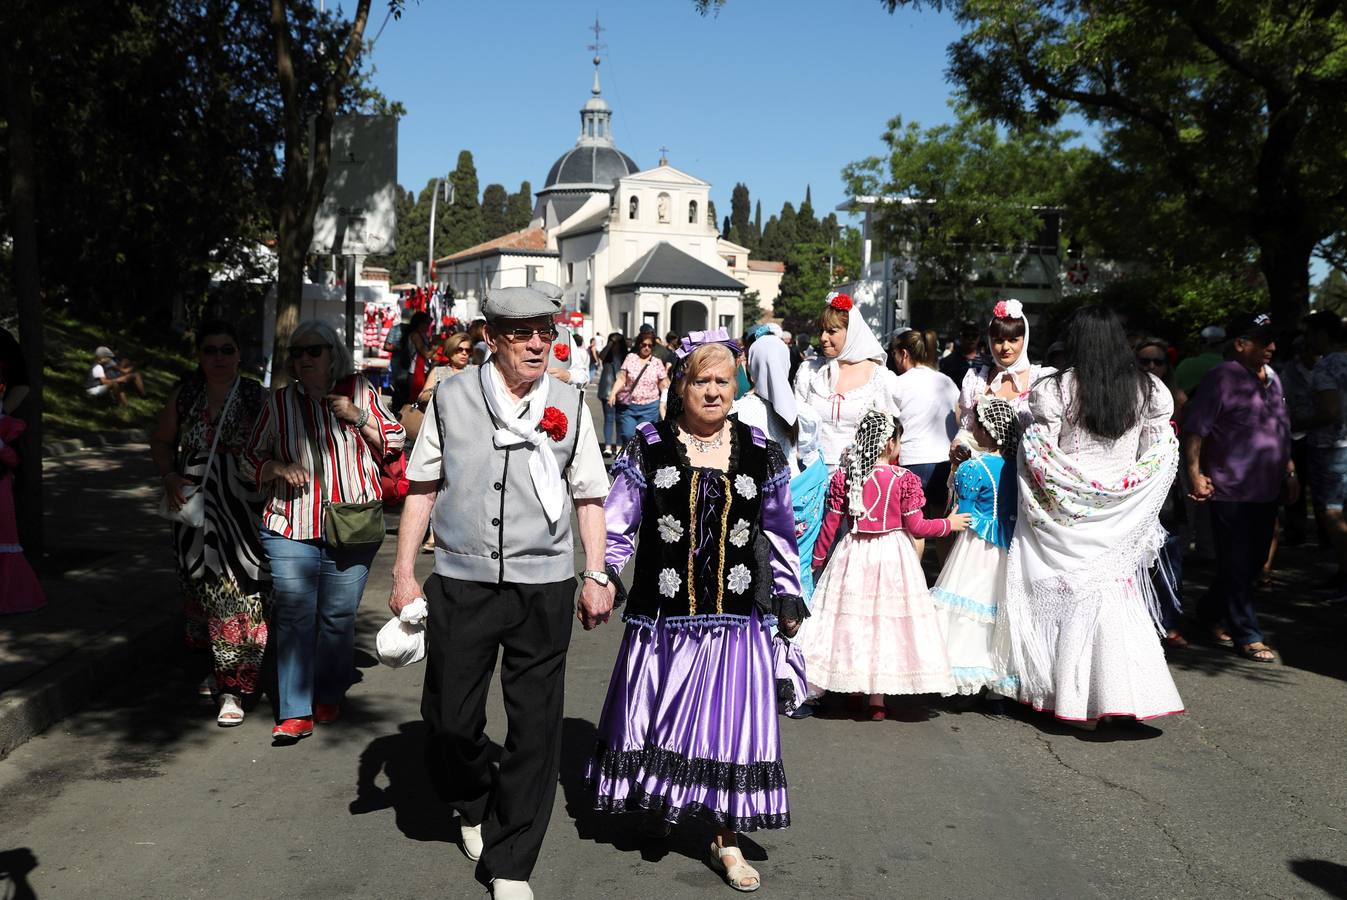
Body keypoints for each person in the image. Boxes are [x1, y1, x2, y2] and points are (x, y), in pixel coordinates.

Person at [389, 284, 610, 900]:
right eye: (522, 333)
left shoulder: (570, 401)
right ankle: (471, 797)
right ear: (492, 338)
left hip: (544, 586)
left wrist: (595, 572)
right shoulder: (454, 396)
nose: (539, 343)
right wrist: (404, 571)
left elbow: (590, 493)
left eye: (546, 331)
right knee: (450, 722)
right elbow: (423, 485)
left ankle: (512, 860)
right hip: (462, 579)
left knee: (536, 728)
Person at [588, 339, 804, 893]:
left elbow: (779, 531)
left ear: (737, 388)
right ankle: (665, 805)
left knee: (731, 732)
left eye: (723, 382)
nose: (712, 391)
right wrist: (604, 575)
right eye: (700, 381)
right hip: (663, 622)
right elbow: (618, 523)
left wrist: (786, 592)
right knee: (661, 718)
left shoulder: (760, 451)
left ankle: (725, 840)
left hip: (736, 622)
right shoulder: (649, 445)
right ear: (679, 386)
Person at [1006, 305, 1183, 726]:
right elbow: (1157, 455)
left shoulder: (1056, 389)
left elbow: (1040, 455)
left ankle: (1069, 696)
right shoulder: (1150, 390)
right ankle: (1122, 698)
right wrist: (1128, 499)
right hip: (1121, 512)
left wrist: (1067, 489)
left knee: (1071, 600)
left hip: (1068, 511)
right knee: (1118, 600)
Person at [242, 320, 404, 743]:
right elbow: (247, 458)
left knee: (337, 617)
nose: (304, 359)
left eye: (313, 350)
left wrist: (359, 416)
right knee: (295, 616)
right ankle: (295, 710)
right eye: (297, 353)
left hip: (351, 524)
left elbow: (396, 439)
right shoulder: (278, 404)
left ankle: (328, 693)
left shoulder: (359, 391)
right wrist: (275, 467)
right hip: (290, 523)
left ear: (333, 354)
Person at [798, 410, 969, 719]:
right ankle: (878, 699)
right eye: (899, 441)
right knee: (884, 623)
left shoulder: (846, 476)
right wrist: (948, 524)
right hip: (892, 556)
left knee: (855, 621)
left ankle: (854, 690)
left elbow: (831, 523)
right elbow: (917, 527)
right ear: (890, 443)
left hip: (853, 554)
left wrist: (818, 559)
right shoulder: (904, 480)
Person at [150, 322, 270, 724]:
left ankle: (232, 690)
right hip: (194, 513)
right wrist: (168, 476)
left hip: (241, 512)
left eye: (226, 349)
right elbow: (161, 440)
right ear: (200, 356)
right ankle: (218, 669)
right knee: (202, 596)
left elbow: (278, 443)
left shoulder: (255, 395)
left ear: (239, 355)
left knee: (236, 596)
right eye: (210, 350)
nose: (218, 357)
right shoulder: (187, 395)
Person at [1183, 313, 1295, 662]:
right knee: (1236, 561)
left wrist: (1290, 472)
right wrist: (1194, 473)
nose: (1272, 347)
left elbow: (1280, 429)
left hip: (1267, 487)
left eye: (1273, 340)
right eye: (1263, 340)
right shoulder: (1222, 377)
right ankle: (1247, 633)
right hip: (1229, 488)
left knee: (1255, 561)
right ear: (1240, 344)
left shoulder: (1273, 379)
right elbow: (1195, 429)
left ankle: (1208, 610)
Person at [930, 398, 1019, 698]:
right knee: (995, 607)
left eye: (976, 424)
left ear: (986, 431)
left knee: (967, 606)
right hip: (1006, 542)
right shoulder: (1015, 467)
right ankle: (996, 683)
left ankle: (962, 678)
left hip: (977, 544)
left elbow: (962, 513)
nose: (972, 428)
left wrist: (957, 468)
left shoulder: (973, 467)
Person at [732, 333, 828, 611]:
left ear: (750, 367)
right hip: (797, 500)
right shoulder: (804, 414)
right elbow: (810, 459)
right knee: (796, 568)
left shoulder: (738, 412)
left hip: (758, 503)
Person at [793, 291, 900, 471]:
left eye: (832, 331)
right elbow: (796, 426)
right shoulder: (809, 372)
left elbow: (888, 434)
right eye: (821, 331)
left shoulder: (880, 378)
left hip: (859, 480)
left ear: (852, 333)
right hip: (812, 476)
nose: (823, 338)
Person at [1135, 337, 1189, 647]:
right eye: (1145, 361)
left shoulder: (1178, 398)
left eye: (1158, 361)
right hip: (1132, 486)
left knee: (1169, 555)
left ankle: (1169, 622)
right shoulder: (1125, 395)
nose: (1152, 367)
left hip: (1167, 488)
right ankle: (1140, 622)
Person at [1301, 310, 1347, 600]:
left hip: (1333, 447)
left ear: (1322, 335)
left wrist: (1296, 422)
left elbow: (1329, 411)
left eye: (1309, 334)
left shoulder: (1327, 367)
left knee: (1333, 513)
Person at [890, 328, 960, 514]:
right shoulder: (946, 381)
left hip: (912, 460)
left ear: (904, 354)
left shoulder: (898, 383)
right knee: (943, 524)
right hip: (945, 461)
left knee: (914, 528)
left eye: (895, 354)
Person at [0, 356, 43, 614]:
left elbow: (14, 458)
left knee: (4, 534)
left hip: (0, 485)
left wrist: (2, 449)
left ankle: (10, 596)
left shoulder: (7, 425)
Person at [607, 330, 670, 443]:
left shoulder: (657, 362)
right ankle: (634, 457)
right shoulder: (630, 358)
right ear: (639, 344)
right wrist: (613, 393)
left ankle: (643, 460)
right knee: (628, 434)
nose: (646, 348)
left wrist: (666, 402)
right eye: (644, 344)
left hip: (650, 407)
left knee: (646, 438)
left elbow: (663, 384)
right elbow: (622, 378)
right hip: (630, 406)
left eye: (650, 346)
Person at [417, 331, 472, 407]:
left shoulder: (475, 371)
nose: (464, 353)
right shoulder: (438, 371)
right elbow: (422, 397)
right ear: (451, 350)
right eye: (460, 349)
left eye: (468, 350)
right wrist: (439, 390)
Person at [596, 333, 628, 456]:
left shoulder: (626, 356)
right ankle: (608, 446)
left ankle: (619, 445)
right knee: (609, 418)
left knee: (620, 420)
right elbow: (601, 356)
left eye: (617, 343)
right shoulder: (607, 356)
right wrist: (610, 343)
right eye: (613, 343)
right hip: (607, 389)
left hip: (622, 390)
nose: (615, 345)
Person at [1174, 324, 1226, 395]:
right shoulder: (1232, 367)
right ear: (1223, 344)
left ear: (1201, 343)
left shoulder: (1186, 364)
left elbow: (1173, 388)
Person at [403, 312, 434, 405]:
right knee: (416, 400)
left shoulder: (423, 334)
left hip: (423, 371)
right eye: (427, 323)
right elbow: (426, 354)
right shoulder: (415, 335)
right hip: (415, 373)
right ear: (420, 323)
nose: (428, 326)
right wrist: (438, 346)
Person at [385, 308, 411, 414]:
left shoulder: (413, 330)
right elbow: (386, 346)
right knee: (400, 388)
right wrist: (400, 348)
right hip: (399, 365)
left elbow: (386, 346)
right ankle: (397, 411)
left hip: (407, 366)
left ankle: (399, 411)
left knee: (404, 390)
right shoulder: (395, 329)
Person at [939, 321, 982, 386]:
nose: (970, 338)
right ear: (960, 336)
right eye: (966, 335)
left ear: (979, 337)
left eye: (974, 335)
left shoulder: (987, 362)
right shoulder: (947, 362)